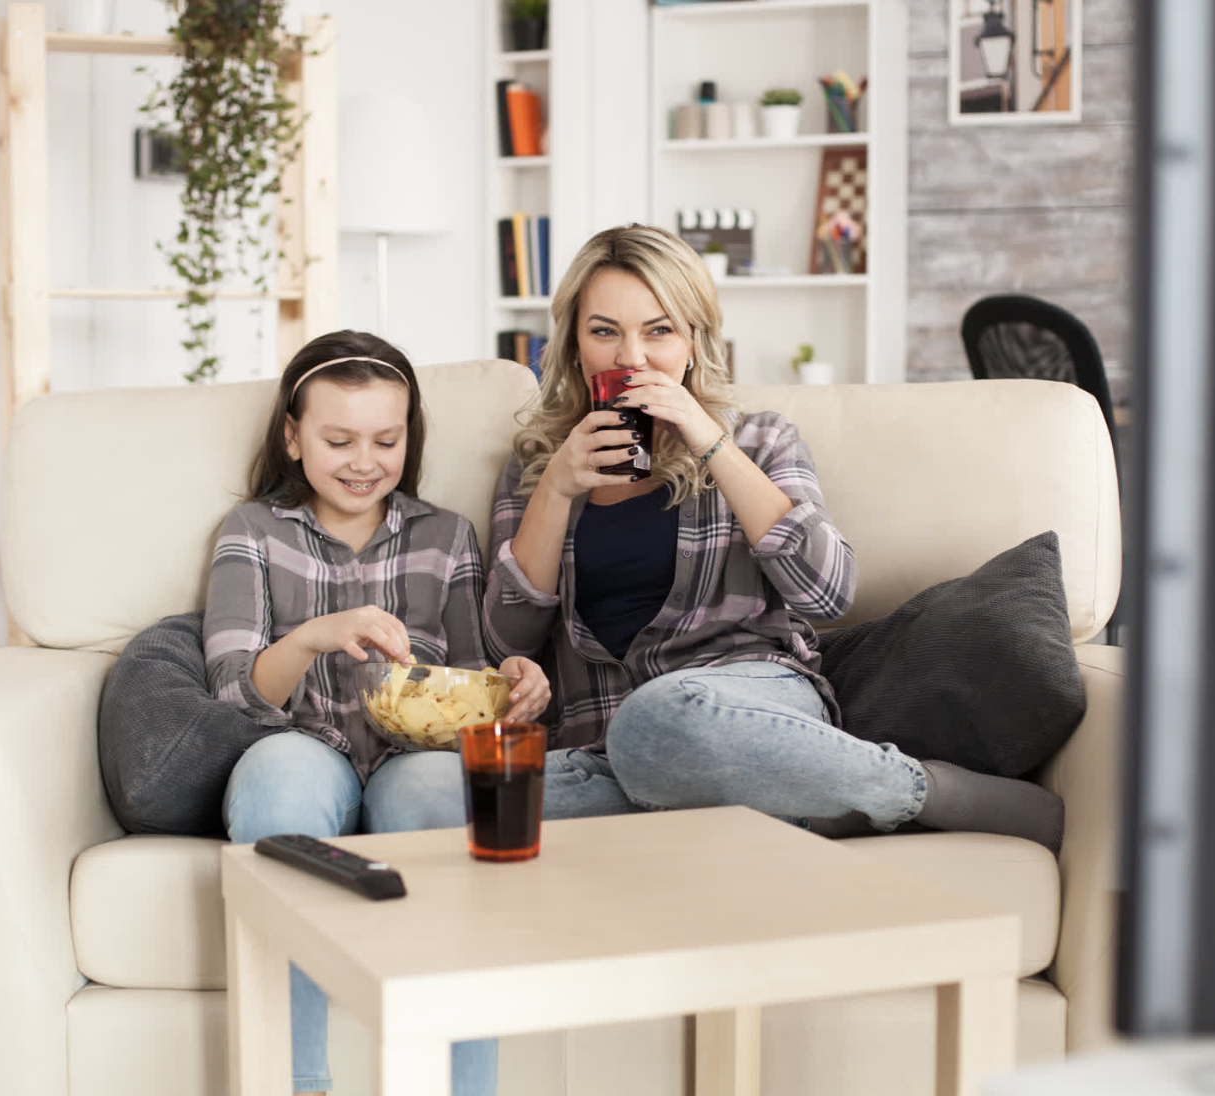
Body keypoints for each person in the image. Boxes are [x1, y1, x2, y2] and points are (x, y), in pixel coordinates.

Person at [481, 223, 1065, 850]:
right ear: (572, 343)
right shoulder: (538, 463)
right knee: (442, 801)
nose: (632, 358)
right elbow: (503, 643)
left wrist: (710, 442)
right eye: (604, 331)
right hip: (603, 745)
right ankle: (799, 810)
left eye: (659, 330)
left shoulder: (760, 440)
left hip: (744, 709)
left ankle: (926, 790)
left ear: (694, 339)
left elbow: (828, 594)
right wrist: (558, 488)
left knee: (656, 721)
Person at [203, 330, 549, 1096]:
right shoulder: (252, 532)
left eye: (385, 440)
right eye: (338, 439)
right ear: (293, 438)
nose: (364, 462)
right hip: (301, 740)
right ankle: (300, 1083)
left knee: (444, 802)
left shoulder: (445, 536)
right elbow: (233, 687)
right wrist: (315, 635)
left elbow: (469, 677)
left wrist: (515, 682)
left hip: (411, 757)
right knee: (279, 787)